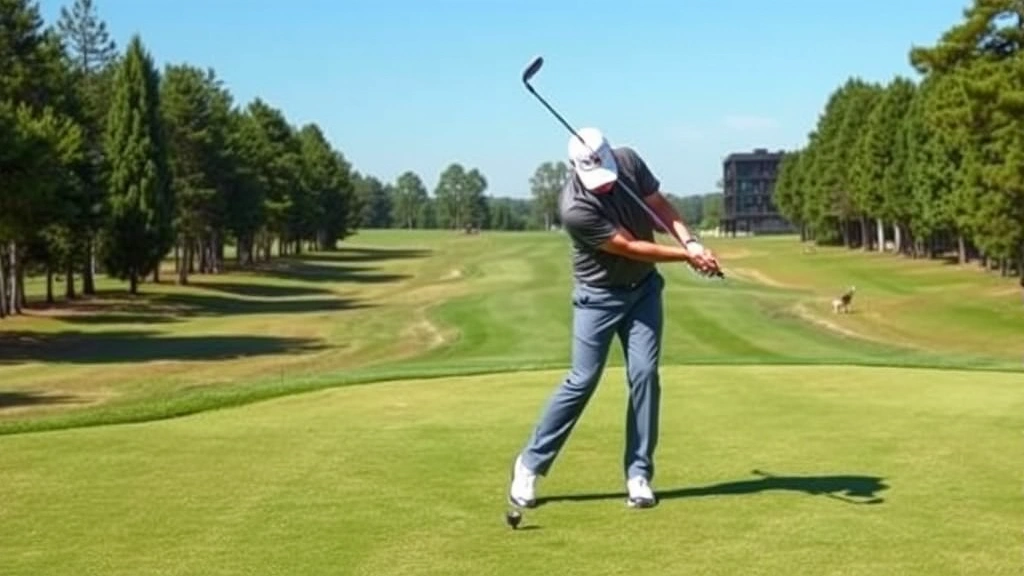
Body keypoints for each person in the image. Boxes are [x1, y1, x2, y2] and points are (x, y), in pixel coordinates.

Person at [508, 127, 721, 509]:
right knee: (583, 379)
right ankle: (529, 464)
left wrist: (691, 241)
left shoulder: (628, 161)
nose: (604, 187)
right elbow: (630, 247)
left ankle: (638, 473)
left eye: (607, 178)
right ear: (574, 168)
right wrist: (688, 258)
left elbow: (660, 206)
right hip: (598, 296)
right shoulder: (574, 208)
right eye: (596, 183)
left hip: (643, 292)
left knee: (644, 374)